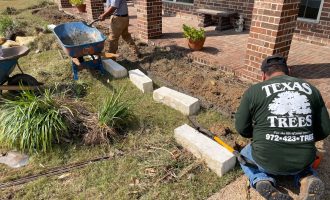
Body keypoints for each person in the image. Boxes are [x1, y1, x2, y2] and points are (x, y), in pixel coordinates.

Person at [235, 55, 330, 200]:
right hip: (302, 160)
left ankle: (261, 179)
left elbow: (242, 129)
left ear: (263, 76)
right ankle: (306, 178)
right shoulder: (312, 89)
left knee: (244, 153)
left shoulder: (254, 90)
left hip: (266, 159)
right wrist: (303, 137)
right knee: (305, 160)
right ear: (289, 71)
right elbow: (325, 129)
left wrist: (259, 135)